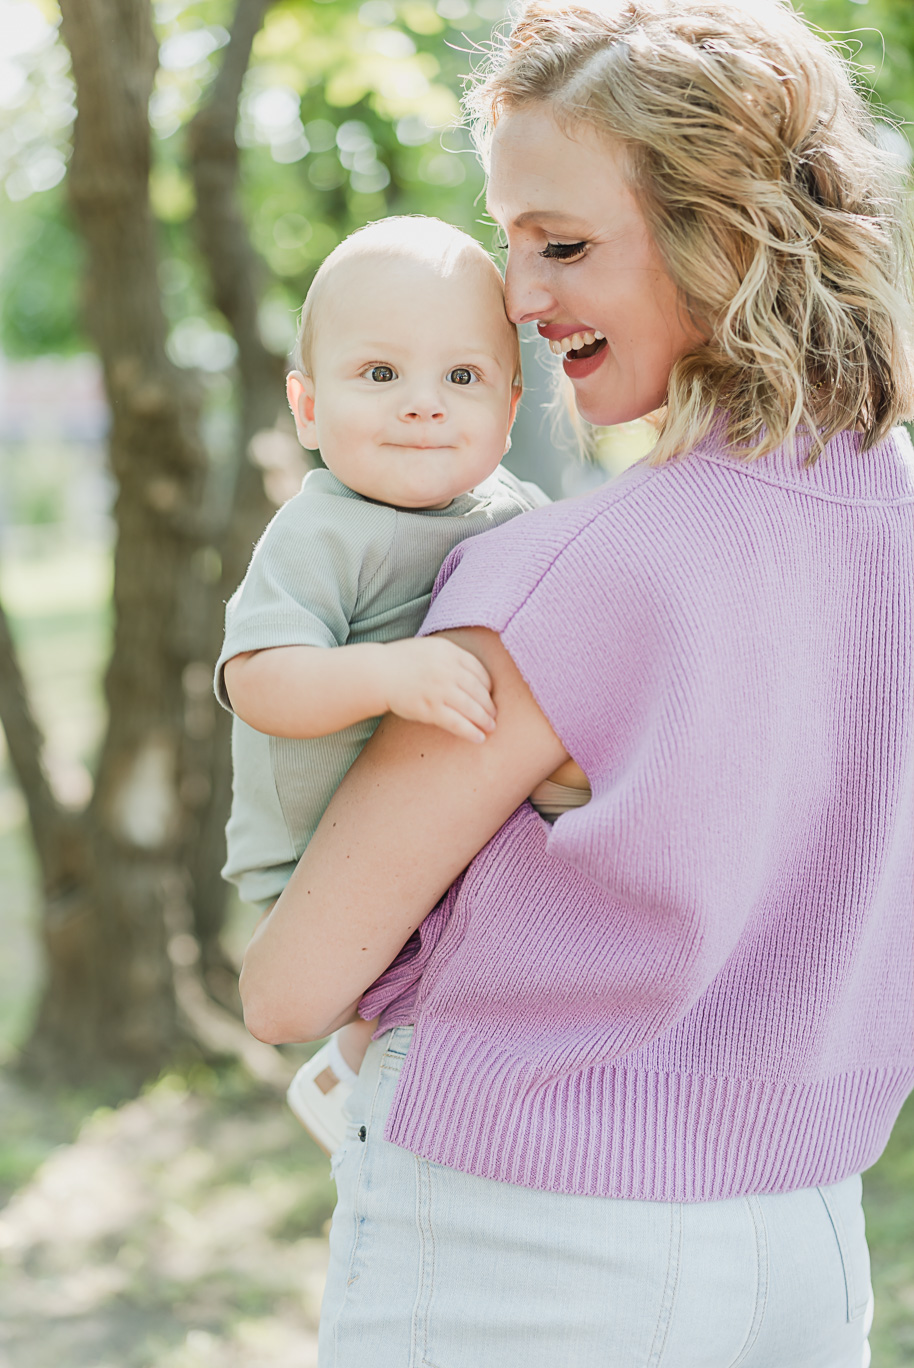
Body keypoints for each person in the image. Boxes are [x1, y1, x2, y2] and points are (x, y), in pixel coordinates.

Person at [239, 2, 914, 1364]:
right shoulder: (890, 521)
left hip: (517, 1239)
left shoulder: (566, 573)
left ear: (720, 230)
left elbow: (288, 990)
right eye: (507, 238)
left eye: (561, 243)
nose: (519, 293)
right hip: (808, 1242)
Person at [215, 215, 576, 1152]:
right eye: (380, 376)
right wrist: (385, 673)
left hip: (438, 829)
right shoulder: (320, 532)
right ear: (305, 408)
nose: (423, 405)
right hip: (312, 856)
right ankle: (355, 1078)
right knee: (395, 991)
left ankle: (385, 1083)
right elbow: (259, 682)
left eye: (461, 378)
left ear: (508, 406)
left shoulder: (516, 515)